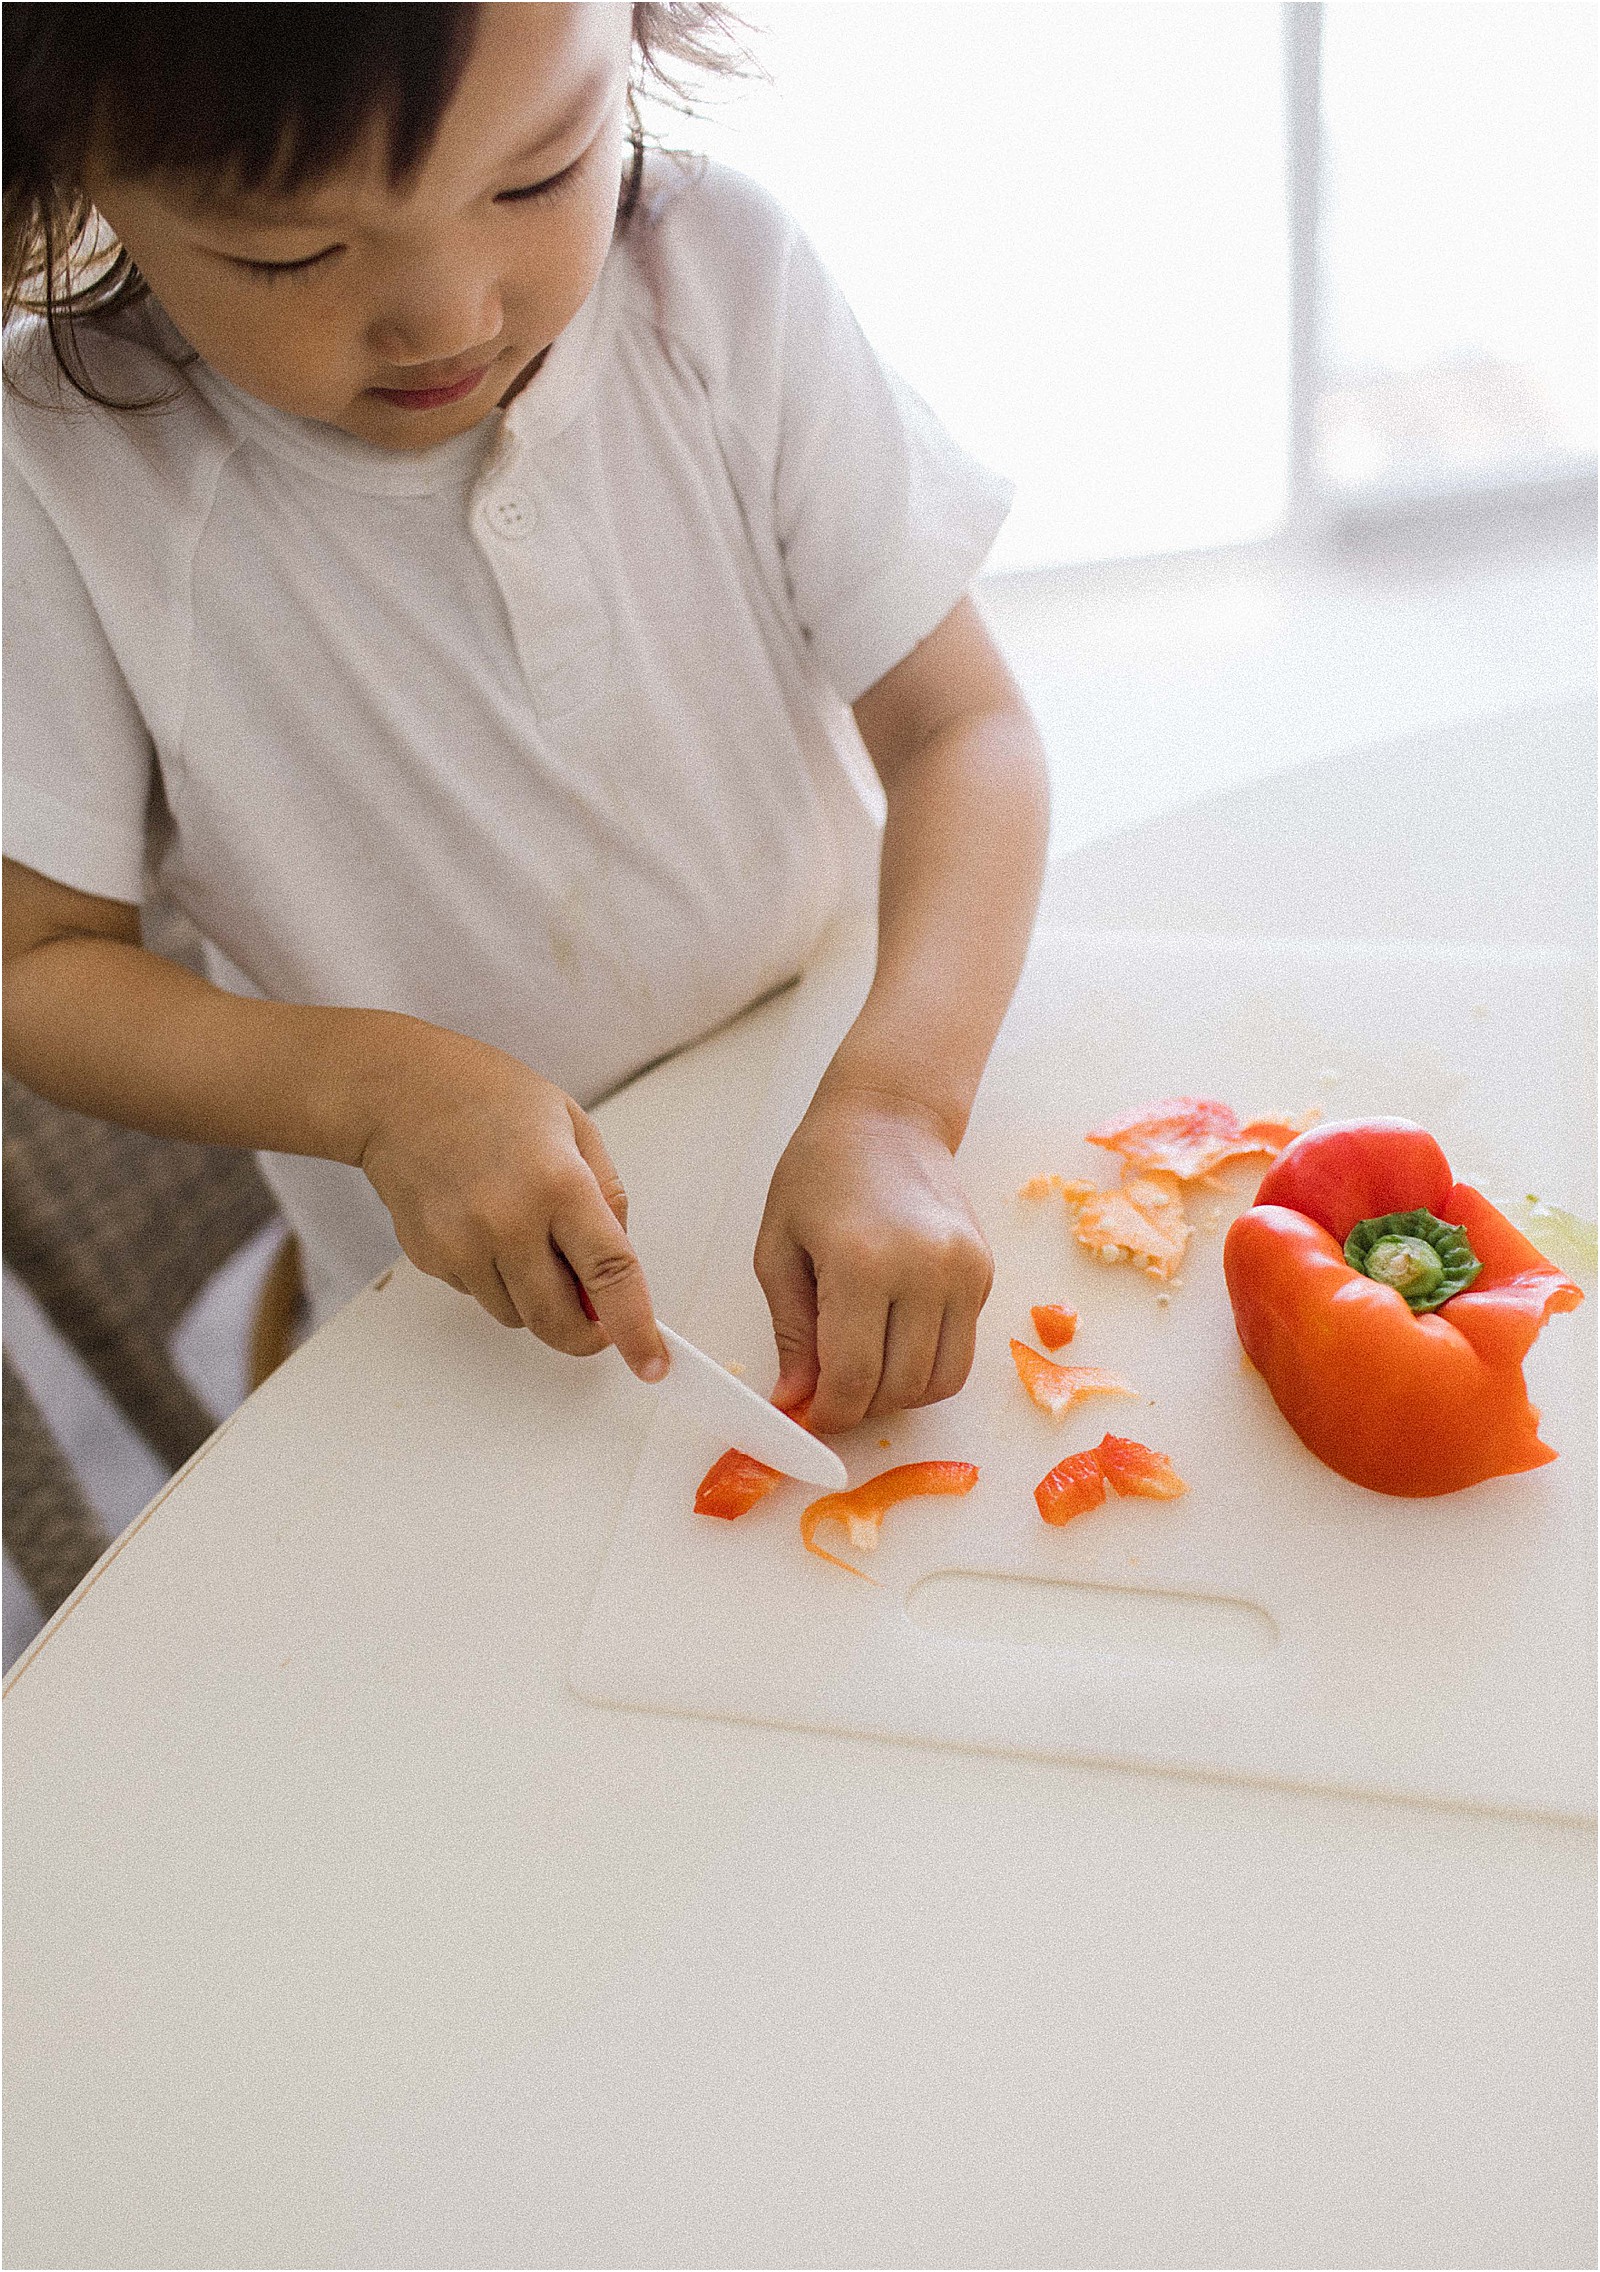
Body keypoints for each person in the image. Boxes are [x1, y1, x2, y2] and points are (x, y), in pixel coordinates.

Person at [2, 2, 1050, 1438]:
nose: (451, 314)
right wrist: (372, 1091)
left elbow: (962, 732)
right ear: (70, 166)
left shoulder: (718, 283)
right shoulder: (65, 472)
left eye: (541, 171)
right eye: (290, 254)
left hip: (854, 1121)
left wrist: (902, 1107)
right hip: (458, 1321)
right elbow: (36, 964)